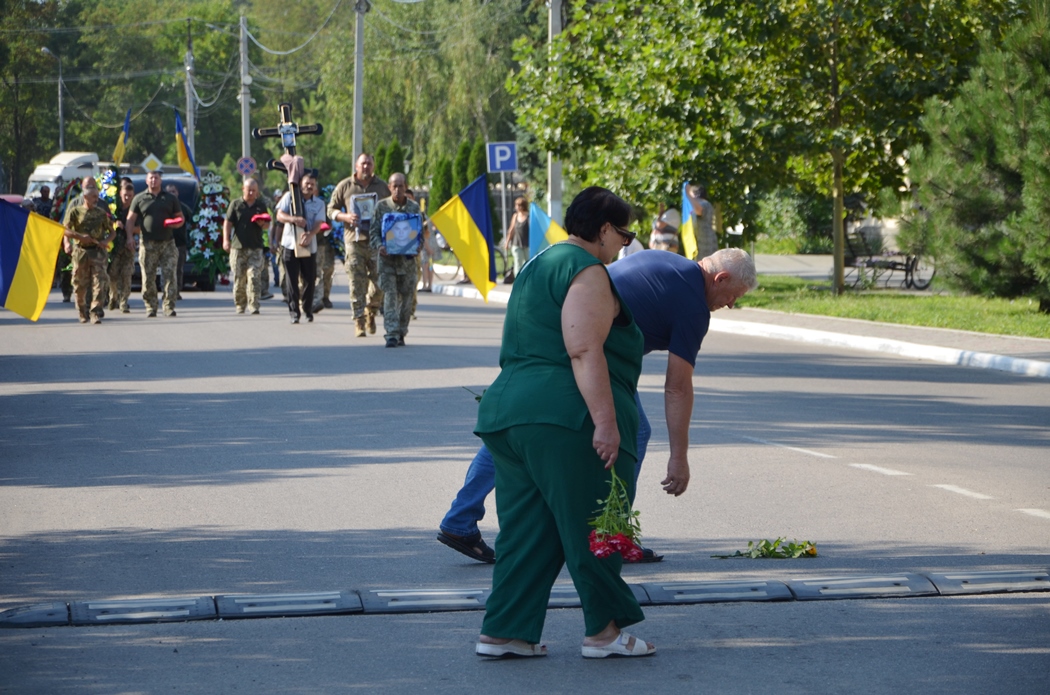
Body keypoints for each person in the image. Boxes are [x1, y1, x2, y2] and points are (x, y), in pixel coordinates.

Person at [438, 246, 758, 565]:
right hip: (586, 351)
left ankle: (462, 518)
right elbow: (677, 387)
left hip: (559, 331)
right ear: (721, 277)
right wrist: (678, 459)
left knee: (516, 426)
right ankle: (611, 534)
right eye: (734, 296)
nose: (730, 304)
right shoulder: (693, 307)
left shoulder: (664, 259)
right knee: (632, 432)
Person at [473, 186, 654, 660]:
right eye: (624, 233)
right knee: (596, 523)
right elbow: (582, 347)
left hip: (510, 414)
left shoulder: (537, 263)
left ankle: (505, 631)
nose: (625, 245)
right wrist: (606, 422)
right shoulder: (588, 270)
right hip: (563, 417)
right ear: (604, 229)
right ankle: (605, 631)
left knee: (526, 531)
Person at [327, 153, 390, 337]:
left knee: (379, 283)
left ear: (373, 166)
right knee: (356, 282)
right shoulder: (345, 186)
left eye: (369, 164)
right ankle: (359, 321)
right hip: (354, 240)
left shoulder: (381, 186)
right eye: (363, 163)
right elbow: (330, 209)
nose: (366, 167)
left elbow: (390, 207)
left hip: (376, 241)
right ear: (356, 165)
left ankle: (371, 310)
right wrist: (345, 217)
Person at [371, 173, 421, 347]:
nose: (398, 190)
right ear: (389, 187)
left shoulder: (414, 208)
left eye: (401, 186)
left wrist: (417, 247)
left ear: (405, 186)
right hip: (387, 262)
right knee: (390, 297)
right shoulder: (381, 207)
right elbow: (374, 232)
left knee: (407, 299)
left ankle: (401, 331)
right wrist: (380, 246)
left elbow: (418, 233)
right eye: (394, 186)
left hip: (407, 263)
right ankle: (391, 334)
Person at [126, 171, 182, 317]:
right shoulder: (139, 198)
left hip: (167, 243)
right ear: (146, 180)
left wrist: (175, 224)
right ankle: (150, 306)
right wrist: (129, 237)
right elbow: (130, 220)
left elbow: (180, 218)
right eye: (151, 178)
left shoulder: (170, 198)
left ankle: (169, 306)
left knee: (170, 275)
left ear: (160, 180)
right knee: (148, 277)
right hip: (148, 243)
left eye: (156, 178)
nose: (153, 180)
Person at [63, 177, 115, 324]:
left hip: (98, 253)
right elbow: (65, 230)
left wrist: (105, 241)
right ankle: (82, 311)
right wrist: (79, 236)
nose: (96, 199)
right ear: (85, 197)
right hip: (81, 252)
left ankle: (95, 313)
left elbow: (112, 232)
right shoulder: (75, 211)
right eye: (93, 197)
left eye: (97, 197)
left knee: (99, 283)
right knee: (80, 285)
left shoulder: (101, 213)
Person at [276, 171, 325, 324]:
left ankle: (307, 309)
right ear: (301, 183)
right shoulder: (289, 197)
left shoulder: (319, 203)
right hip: (290, 244)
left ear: (315, 186)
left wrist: (310, 235)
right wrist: (293, 219)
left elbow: (319, 223)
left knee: (310, 279)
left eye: (312, 184)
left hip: (309, 245)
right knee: (291, 280)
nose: (309, 186)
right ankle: (294, 312)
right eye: (306, 183)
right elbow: (279, 215)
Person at [222, 178, 270, 315]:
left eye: (254, 190)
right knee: (239, 278)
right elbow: (228, 223)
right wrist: (226, 240)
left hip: (255, 247)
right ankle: (240, 304)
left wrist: (262, 224)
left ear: (257, 192)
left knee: (254, 276)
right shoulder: (236, 204)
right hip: (238, 248)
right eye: (248, 190)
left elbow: (267, 225)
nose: (251, 193)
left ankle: (254, 305)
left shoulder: (261, 206)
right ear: (243, 189)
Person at [107, 178, 136, 314]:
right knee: (112, 274)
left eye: (130, 196)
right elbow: (105, 223)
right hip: (115, 246)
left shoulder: (136, 209)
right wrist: (115, 225)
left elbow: (141, 228)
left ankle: (124, 302)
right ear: (120, 194)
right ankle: (114, 296)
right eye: (125, 195)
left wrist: (129, 229)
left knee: (126, 274)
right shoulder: (114, 208)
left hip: (128, 246)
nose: (127, 198)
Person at [165, 184, 193, 300]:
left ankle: (176, 291)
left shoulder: (184, 208)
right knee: (167, 269)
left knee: (178, 269)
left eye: (174, 191)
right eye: (169, 192)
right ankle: (167, 291)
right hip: (165, 242)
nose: (172, 194)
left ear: (178, 193)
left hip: (180, 243)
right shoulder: (164, 207)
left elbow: (192, 223)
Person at [685, 184, 718, 258]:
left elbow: (699, 210)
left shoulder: (704, 204)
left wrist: (688, 194)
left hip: (705, 245)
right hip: (701, 245)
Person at [505, 196, 530, 279]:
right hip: (516, 244)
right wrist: (507, 242)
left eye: (519, 205)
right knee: (518, 264)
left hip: (527, 244)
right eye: (516, 205)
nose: (517, 207)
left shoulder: (529, 216)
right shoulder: (515, 216)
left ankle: (527, 281)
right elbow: (511, 230)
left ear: (524, 206)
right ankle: (518, 281)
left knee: (528, 263)